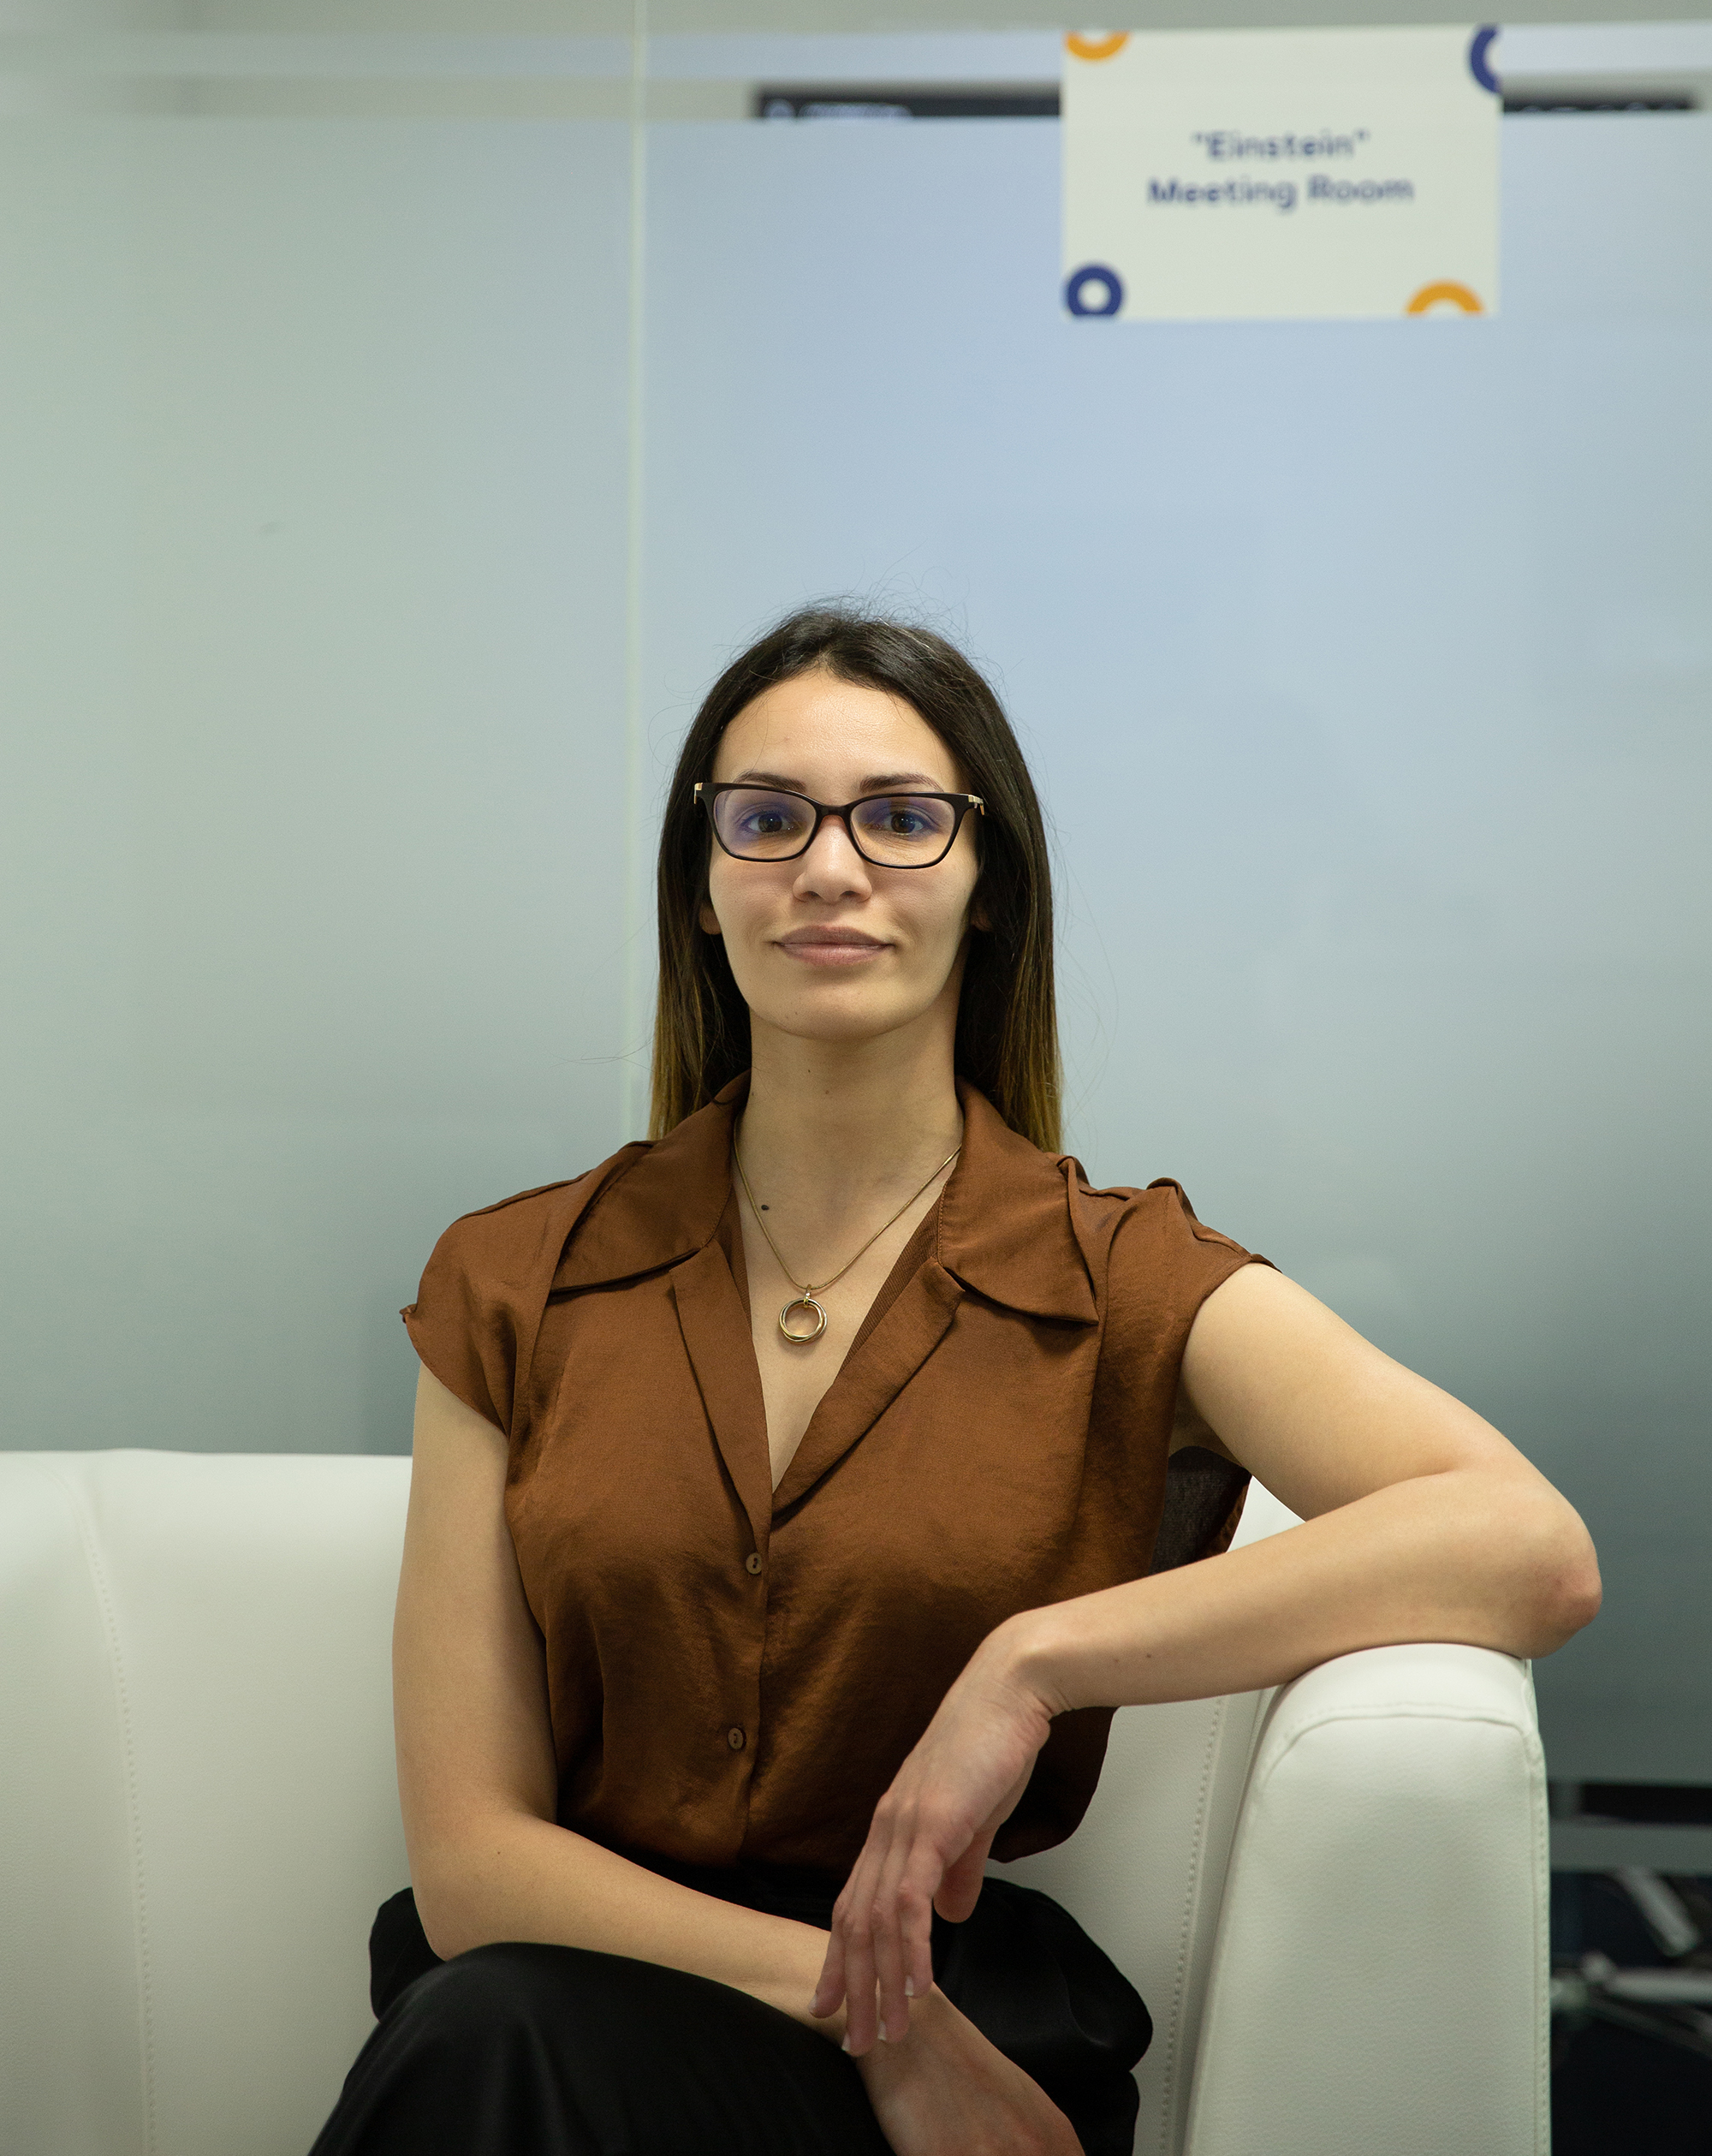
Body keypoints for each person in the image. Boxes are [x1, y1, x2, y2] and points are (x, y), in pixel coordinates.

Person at [309, 606, 1601, 2156]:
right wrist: (872, 2011)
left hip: (941, 2048)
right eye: (768, 818)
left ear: (990, 888)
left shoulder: (1118, 1275)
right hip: (624, 2004)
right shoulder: (515, 1278)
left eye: (903, 818)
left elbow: (1529, 1546)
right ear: (702, 885)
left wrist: (1035, 1663)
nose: (830, 868)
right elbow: (472, 1863)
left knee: (484, 2044)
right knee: (494, 2024)